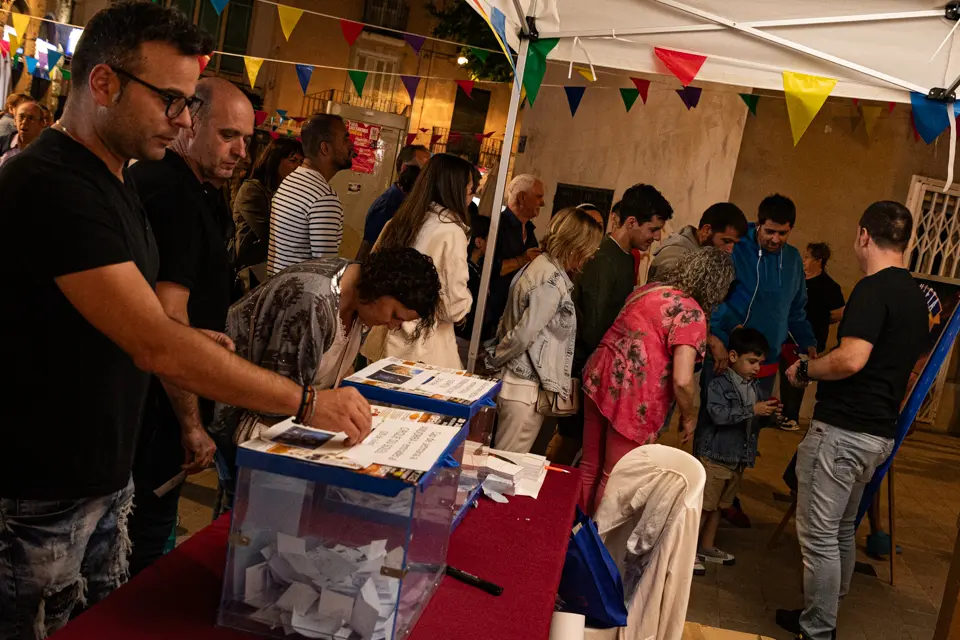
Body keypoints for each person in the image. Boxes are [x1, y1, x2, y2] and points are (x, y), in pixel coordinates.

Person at [0, 5, 370, 636]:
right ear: (105, 84)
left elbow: (126, 319)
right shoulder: (50, 183)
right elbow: (153, 342)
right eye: (170, 100)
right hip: (39, 494)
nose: (180, 119)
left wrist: (185, 337)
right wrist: (306, 401)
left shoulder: (117, 179)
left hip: (98, 481)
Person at [776, 202, 929, 640]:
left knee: (819, 537)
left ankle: (819, 629)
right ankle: (822, 616)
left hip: (844, 431)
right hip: (877, 433)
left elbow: (851, 359)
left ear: (864, 235)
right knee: (842, 530)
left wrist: (805, 370)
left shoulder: (872, 288)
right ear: (908, 241)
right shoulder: (916, 297)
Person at [126, 77, 254, 576]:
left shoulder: (193, 187)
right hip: (154, 413)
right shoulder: (174, 193)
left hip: (151, 404)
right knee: (144, 546)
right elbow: (168, 320)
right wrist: (191, 424)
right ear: (189, 123)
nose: (241, 151)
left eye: (246, 139)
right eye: (227, 135)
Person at [210, 248, 443, 515]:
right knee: (244, 521)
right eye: (395, 315)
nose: (392, 325)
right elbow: (278, 398)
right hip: (249, 422)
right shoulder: (314, 300)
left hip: (284, 418)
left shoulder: (360, 300)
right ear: (383, 288)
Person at [580, 247, 735, 515]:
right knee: (615, 478)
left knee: (588, 467)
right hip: (633, 397)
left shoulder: (651, 290)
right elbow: (683, 380)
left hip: (600, 377)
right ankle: (596, 547)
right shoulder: (691, 314)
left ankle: (571, 534)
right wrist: (689, 416)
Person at [550, 185, 674, 463]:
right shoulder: (604, 259)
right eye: (652, 230)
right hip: (583, 366)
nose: (656, 238)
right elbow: (594, 326)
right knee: (569, 442)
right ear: (631, 222)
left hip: (599, 366)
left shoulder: (626, 256)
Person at [487, 207, 604, 453]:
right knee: (503, 467)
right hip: (524, 389)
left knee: (502, 462)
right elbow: (523, 334)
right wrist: (494, 358)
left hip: (519, 384)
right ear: (576, 244)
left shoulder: (542, 266)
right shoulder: (551, 279)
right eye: (589, 248)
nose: (591, 256)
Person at [361, 153, 475, 368]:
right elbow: (453, 306)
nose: (470, 199)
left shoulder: (397, 222)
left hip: (380, 343)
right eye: (470, 191)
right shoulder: (451, 232)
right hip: (422, 353)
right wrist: (466, 302)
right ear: (454, 191)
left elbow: (371, 275)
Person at [709, 194, 817, 398]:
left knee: (753, 424)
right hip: (732, 354)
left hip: (767, 361)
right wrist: (730, 326)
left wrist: (807, 340)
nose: (775, 239)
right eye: (770, 231)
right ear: (758, 224)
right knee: (720, 418)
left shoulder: (793, 260)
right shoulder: (736, 248)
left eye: (783, 233)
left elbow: (795, 309)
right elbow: (713, 298)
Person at [694, 327, 778, 571]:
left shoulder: (754, 387)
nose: (756, 368)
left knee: (720, 506)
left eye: (759, 363)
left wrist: (769, 415)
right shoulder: (718, 384)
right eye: (751, 361)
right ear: (732, 356)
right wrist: (753, 410)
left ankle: (707, 546)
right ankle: (686, 551)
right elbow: (719, 416)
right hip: (715, 456)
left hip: (737, 458)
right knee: (704, 507)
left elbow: (754, 422)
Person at [267, 113, 354, 275]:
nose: (351, 144)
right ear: (325, 148)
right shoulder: (324, 198)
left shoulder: (290, 181)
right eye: (345, 138)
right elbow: (323, 272)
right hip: (299, 296)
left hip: (279, 291)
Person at [778, 242, 845, 431]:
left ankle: (791, 416)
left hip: (810, 338)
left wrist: (820, 323)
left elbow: (838, 312)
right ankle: (783, 413)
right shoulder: (797, 281)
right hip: (787, 334)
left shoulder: (829, 286)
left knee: (798, 374)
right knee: (785, 372)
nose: (804, 261)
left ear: (819, 260)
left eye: (807, 257)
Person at [484, 174, 545, 339]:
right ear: (522, 198)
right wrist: (522, 259)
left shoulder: (529, 230)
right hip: (491, 317)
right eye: (539, 197)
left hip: (514, 319)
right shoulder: (497, 227)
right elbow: (489, 269)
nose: (543, 203)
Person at [233, 136, 303, 276]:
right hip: (250, 270)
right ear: (275, 160)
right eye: (293, 161)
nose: (298, 167)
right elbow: (271, 234)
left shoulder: (286, 192)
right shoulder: (252, 190)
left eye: (301, 162)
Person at [356, 143, 431, 261]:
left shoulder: (410, 202)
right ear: (405, 169)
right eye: (423, 170)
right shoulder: (388, 205)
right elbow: (368, 249)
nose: (427, 177)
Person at [647, 202, 748, 280]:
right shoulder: (675, 258)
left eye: (734, 244)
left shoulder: (701, 255)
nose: (730, 250)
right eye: (726, 241)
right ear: (706, 230)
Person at [0, 99, 44, 166]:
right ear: (15, 121)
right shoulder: (2, 143)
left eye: (31, 118)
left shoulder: (46, 150)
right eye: (21, 117)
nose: (24, 122)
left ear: (41, 123)